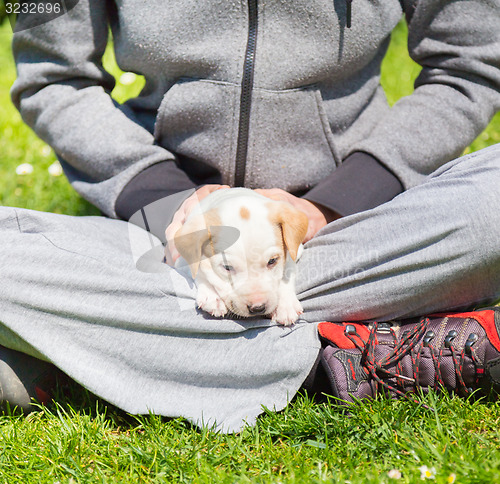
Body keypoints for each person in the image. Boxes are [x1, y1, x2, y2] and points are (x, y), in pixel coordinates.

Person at [1, 1, 500, 432]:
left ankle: (105, 351)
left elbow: (467, 65)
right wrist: (163, 202)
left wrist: (332, 204)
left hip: (358, 224)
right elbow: (55, 77)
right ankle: (361, 349)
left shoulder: (340, 213)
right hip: (162, 231)